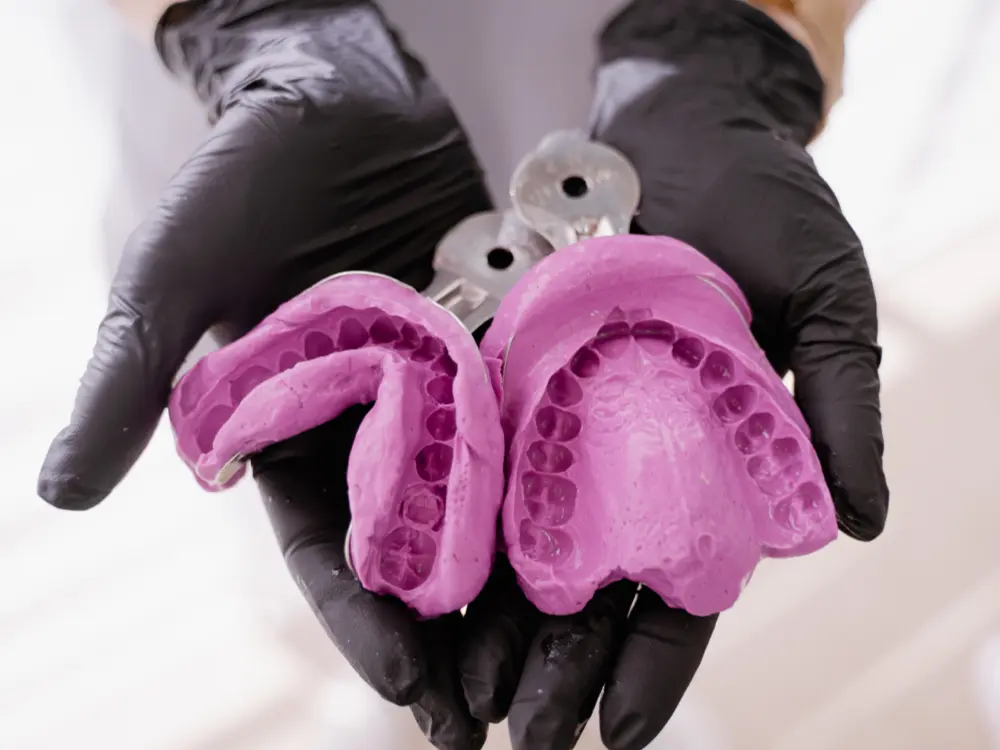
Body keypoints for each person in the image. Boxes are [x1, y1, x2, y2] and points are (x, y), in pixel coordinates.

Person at [38, 0, 888, 748]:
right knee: (335, 545)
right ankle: (385, 696)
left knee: (662, 516)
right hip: (281, 150)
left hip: (634, 124)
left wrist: (750, 28)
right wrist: (246, 15)